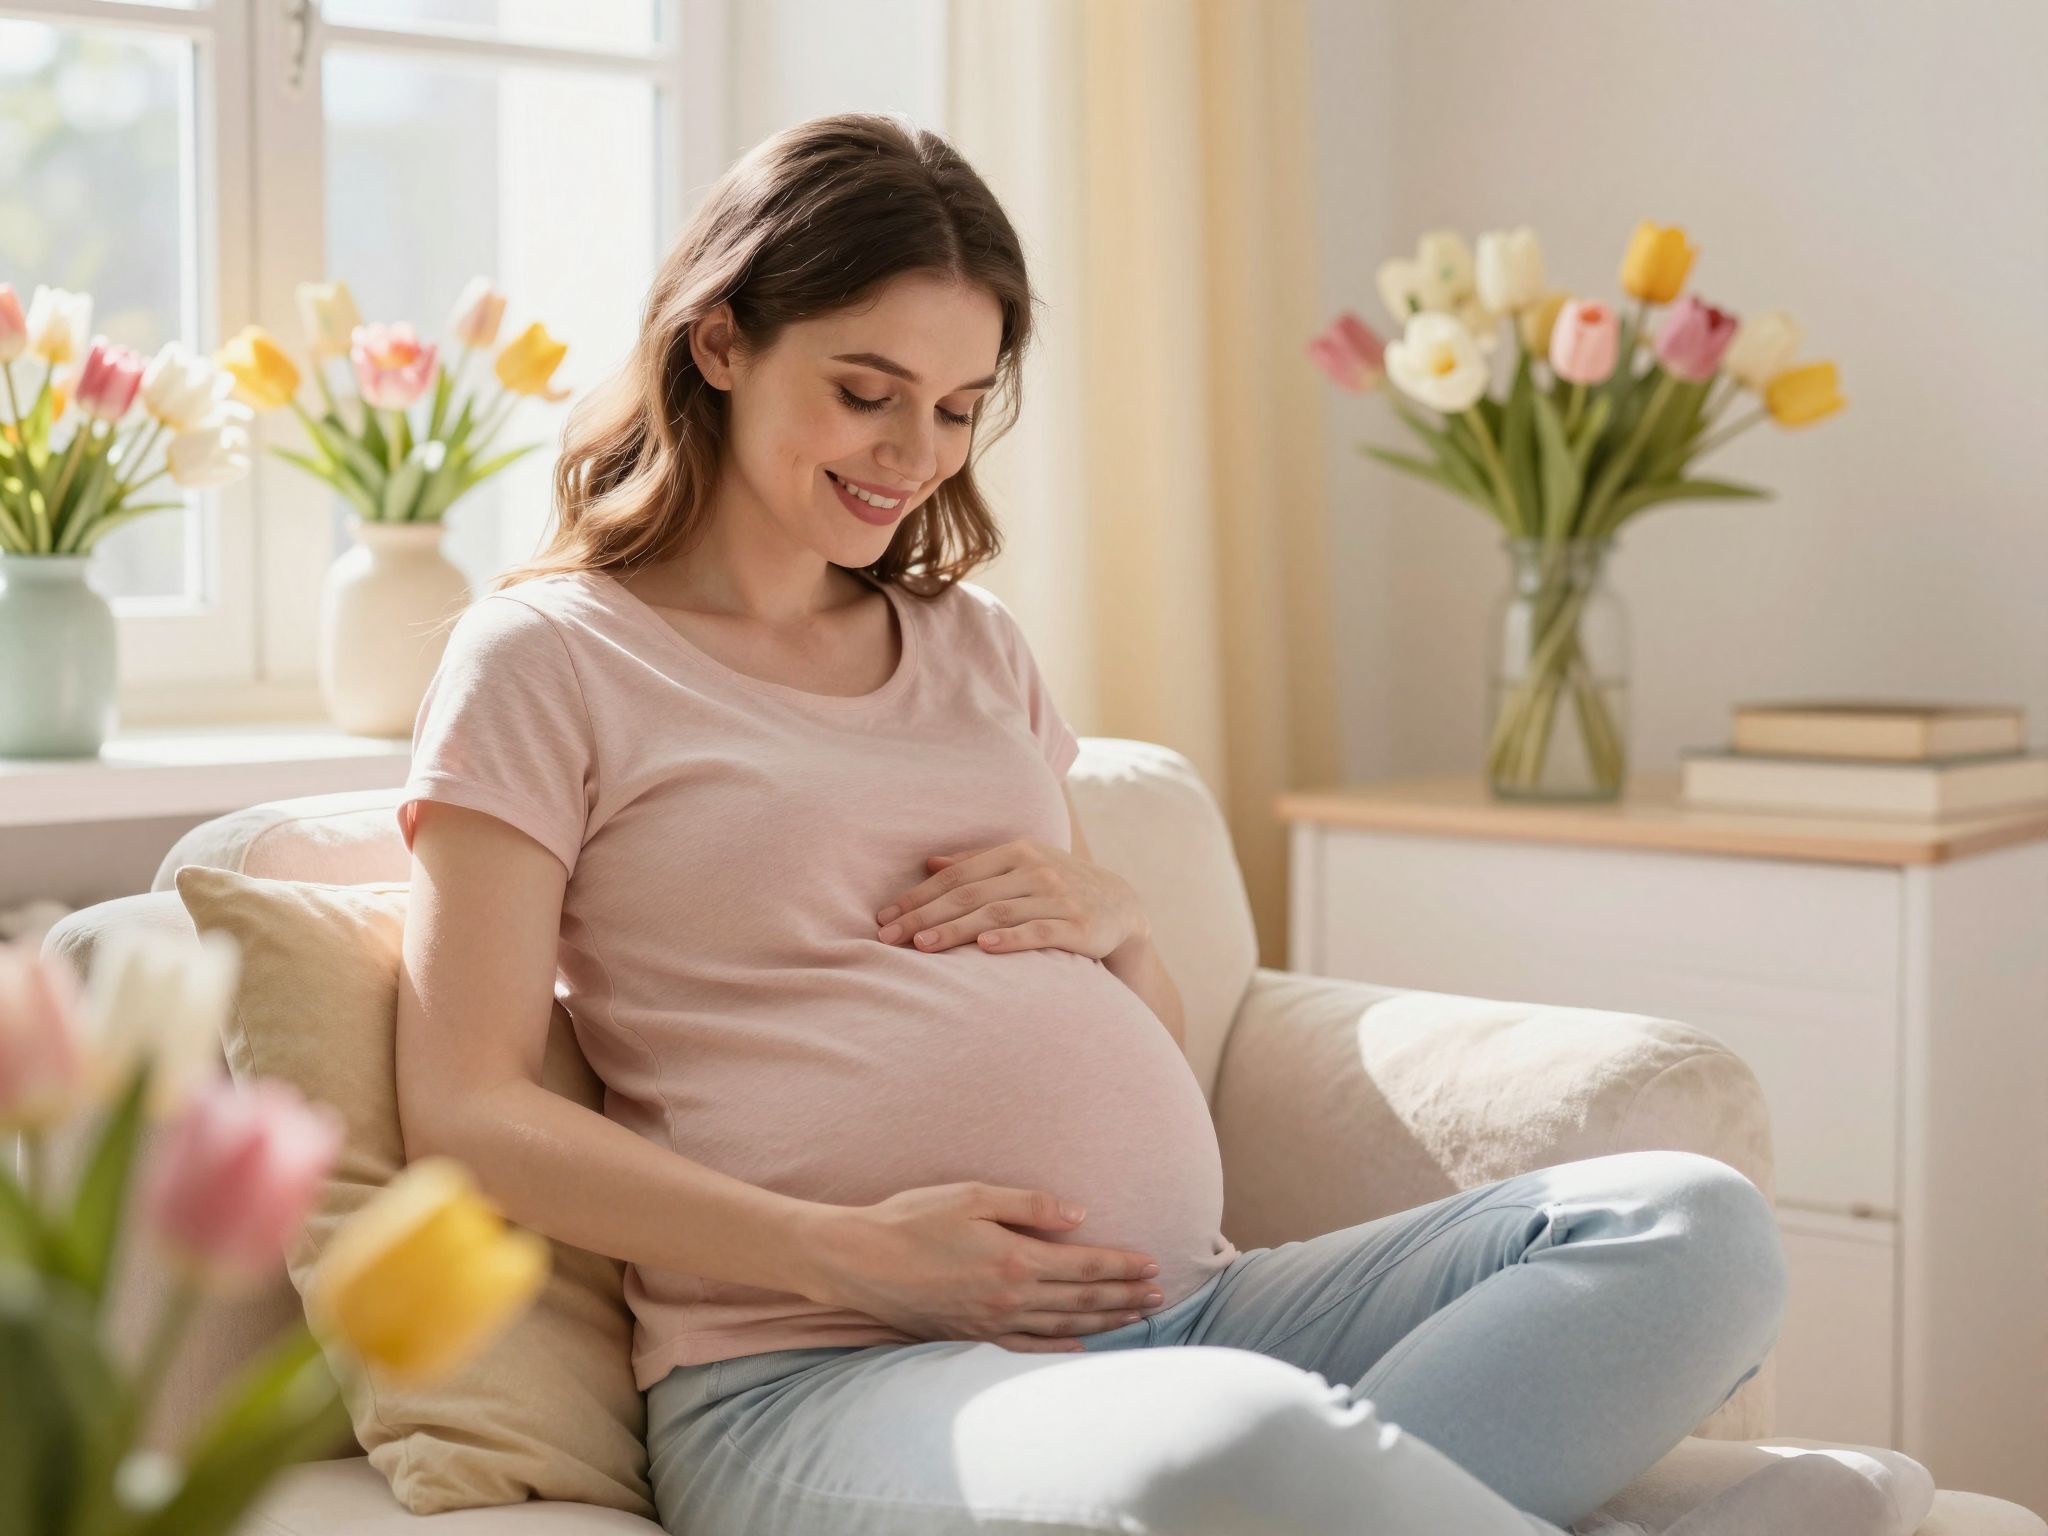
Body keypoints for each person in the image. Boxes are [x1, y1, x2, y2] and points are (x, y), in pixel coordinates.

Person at [391, 112, 1883, 1536]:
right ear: (720, 341)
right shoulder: (550, 659)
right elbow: (469, 1108)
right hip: (827, 1370)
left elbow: (1134, 1040)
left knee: (1692, 1223)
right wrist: (851, 1254)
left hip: (1195, 1308)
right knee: (1234, 1446)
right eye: (867, 390)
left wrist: (1120, 928)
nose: (915, 453)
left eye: (961, 409)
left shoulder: (974, 648)